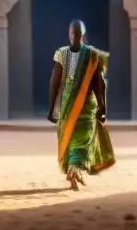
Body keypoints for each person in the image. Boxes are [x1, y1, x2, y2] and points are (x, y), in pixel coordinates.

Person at [46, 19, 115, 190]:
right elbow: (99, 84)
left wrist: (52, 108)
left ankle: (74, 170)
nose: (74, 36)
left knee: (73, 138)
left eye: (75, 34)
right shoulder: (91, 55)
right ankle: (75, 169)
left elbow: (55, 83)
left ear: (81, 35)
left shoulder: (68, 54)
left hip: (71, 105)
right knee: (82, 140)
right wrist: (102, 106)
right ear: (71, 34)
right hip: (79, 106)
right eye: (72, 33)